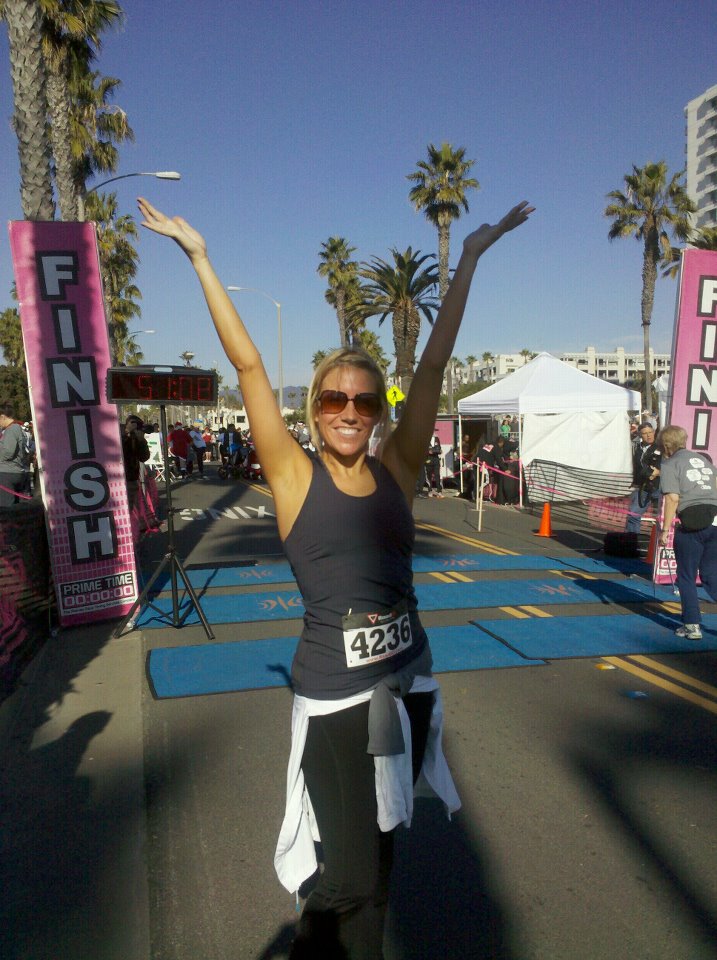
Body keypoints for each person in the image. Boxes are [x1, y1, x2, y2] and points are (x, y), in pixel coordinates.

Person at [137, 195, 533, 959]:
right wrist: (199, 257)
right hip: (333, 695)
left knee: (380, 859)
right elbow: (248, 366)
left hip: (403, 682)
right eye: (332, 399)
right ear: (315, 410)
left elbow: (432, 363)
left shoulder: (397, 467)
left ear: (378, 410)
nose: (348, 411)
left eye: (362, 400)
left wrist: (469, 257)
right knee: (345, 874)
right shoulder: (292, 475)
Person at [658, 424, 717, 641]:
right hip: (715, 520)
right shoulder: (703, 461)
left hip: (692, 522)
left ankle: (692, 625)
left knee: (686, 576)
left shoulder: (670, 464)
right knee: (711, 575)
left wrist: (665, 530)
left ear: (666, 446)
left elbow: (672, 498)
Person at [625, 421, 661, 533]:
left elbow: (671, 465)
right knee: (633, 515)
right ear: (640, 435)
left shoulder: (661, 447)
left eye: (650, 432)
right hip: (643, 487)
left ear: (654, 432)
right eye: (645, 433)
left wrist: (659, 472)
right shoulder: (638, 447)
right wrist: (635, 481)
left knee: (664, 518)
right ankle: (631, 540)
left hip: (659, 487)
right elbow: (637, 466)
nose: (649, 435)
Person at [0, 405, 31, 506]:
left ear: (3, 417)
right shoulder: (15, 429)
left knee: (6, 507)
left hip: (7, 473)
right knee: (14, 507)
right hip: (14, 471)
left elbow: (8, 452)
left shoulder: (12, 429)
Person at [121, 414, 151, 510]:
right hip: (119, 478)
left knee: (130, 507)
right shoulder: (119, 433)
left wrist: (142, 440)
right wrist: (127, 432)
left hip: (132, 478)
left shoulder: (138, 438)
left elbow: (144, 457)